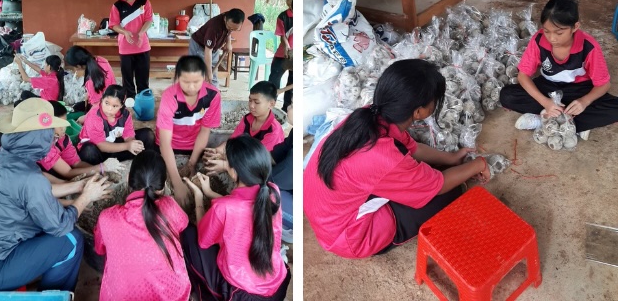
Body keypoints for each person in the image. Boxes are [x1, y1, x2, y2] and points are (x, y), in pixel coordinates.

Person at [304, 59, 491, 259]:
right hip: (349, 237)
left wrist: (451, 158)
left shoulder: (369, 115)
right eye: (434, 101)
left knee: (434, 171)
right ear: (418, 111)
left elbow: (412, 147)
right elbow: (438, 185)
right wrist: (478, 164)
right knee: (451, 190)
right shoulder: (384, 157)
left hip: (326, 212)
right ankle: (379, 236)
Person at [0, 98, 111, 291]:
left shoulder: (5, 156)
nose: (53, 141)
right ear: (38, 138)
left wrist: (79, 186)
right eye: (51, 136)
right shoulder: (30, 178)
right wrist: (85, 198)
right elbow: (60, 225)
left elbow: (31, 191)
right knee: (71, 239)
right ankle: (53, 294)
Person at [182, 135, 291, 301]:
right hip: (277, 283)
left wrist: (198, 197)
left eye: (227, 162)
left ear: (233, 172)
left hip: (242, 294)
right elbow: (242, 207)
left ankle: (203, 294)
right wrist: (210, 193)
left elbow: (204, 240)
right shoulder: (272, 192)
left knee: (189, 234)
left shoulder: (223, 208)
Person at [501, 0, 618, 140]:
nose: (552, 38)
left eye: (559, 33)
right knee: (507, 96)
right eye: (547, 31)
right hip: (548, 87)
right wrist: (545, 102)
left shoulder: (589, 47)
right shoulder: (538, 40)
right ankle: (568, 122)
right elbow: (523, 75)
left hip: (579, 90)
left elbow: (604, 84)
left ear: (575, 27)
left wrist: (584, 101)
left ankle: (547, 120)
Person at [94, 151, 191, 301]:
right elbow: (183, 224)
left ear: (128, 178)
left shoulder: (107, 218)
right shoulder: (170, 207)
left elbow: (99, 249)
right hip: (173, 295)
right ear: (163, 186)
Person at [156, 55, 221, 206]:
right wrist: (177, 183)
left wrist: (191, 163)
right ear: (177, 78)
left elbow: (205, 131)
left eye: (196, 82)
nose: (191, 87)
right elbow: (165, 143)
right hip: (170, 146)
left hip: (194, 145)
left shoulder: (213, 96)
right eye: (185, 82)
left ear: (204, 77)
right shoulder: (169, 96)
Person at [204, 81, 284, 175]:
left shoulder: (273, 130)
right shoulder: (247, 119)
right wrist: (218, 150)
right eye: (250, 100)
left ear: (271, 104)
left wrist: (226, 165)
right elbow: (233, 140)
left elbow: (256, 160)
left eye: (256, 102)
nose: (251, 106)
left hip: (263, 169)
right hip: (247, 158)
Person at [77, 84, 156, 165]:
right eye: (106, 103)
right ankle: (100, 167)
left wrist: (133, 144)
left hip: (113, 146)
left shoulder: (125, 114)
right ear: (102, 99)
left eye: (115, 106)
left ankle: (147, 162)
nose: (109, 109)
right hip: (97, 150)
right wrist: (127, 146)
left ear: (121, 105)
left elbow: (128, 136)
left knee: (148, 135)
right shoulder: (94, 115)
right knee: (88, 151)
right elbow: (100, 144)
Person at [109, 0, 153, 99]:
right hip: (125, 47)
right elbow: (113, 24)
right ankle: (130, 101)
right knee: (127, 80)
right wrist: (124, 32)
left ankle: (143, 101)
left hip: (142, 46)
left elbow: (149, 20)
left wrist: (141, 33)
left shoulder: (144, 2)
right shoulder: (117, 5)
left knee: (143, 79)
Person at [188, 8, 245, 87]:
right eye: (229, 27)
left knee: (213, 76)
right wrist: (209, 73)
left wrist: (228, 43)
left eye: (235, 29)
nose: (231, 30)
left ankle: (214, 93)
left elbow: (229, 31)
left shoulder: (231, 16)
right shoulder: (214, 27)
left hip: (214, 48)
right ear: (225, 19)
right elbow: (208, 51)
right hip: (199, 46)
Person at [270, 94, 293, 243]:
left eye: (292, 105)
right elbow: (275, 154)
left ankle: (288, 226)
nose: (288, 107)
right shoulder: (295, 133)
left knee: (264, 191)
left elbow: (272, 179)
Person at [65, 46, 116, 112]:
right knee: (78, 106)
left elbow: (96, 108)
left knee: (78, 110)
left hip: (105, 109)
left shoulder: (90, 82)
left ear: (78, 66)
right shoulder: (101, 60)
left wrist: (86, 116)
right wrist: (88, 94)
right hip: (114, 98)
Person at [269, 0, 293, 111]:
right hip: (282, 54)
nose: (289, 2)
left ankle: (286, 109)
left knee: (292, 84)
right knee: (273, 81)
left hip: (300, 55)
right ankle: (269, 106)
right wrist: (287, 47)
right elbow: (282, 36)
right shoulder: (283, 16)